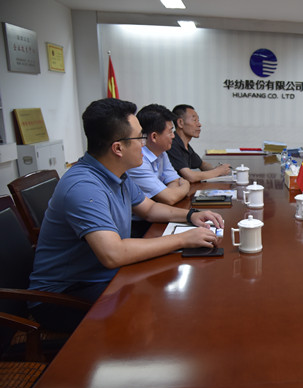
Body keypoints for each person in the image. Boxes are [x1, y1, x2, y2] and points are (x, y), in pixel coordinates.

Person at [28, 98, 225, 333]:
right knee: (167, 309)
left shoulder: (118, 174)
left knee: (171, 295)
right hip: (64, 296)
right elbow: (113, 254)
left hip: (103, 277)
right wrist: (183, 239)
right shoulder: (84, 186)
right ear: (118, 148)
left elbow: (149, 209)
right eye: (140, 137)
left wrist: (191, 215)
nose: (144, 143)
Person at [128, 104, 191, 237]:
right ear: (154, 136)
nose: (173, 136)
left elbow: (174, 181)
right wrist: (186, 185)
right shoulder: (138, 160)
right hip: (139, 226)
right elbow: (170, 198)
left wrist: (171, 193)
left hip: (157, 214)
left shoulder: (161, 152)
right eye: (170, 131)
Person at [167, 104, 232, 183]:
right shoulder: (172, 144)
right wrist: (218, 171)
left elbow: (202, 164)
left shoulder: (185, 145)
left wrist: (218, 169)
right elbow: (190, 176)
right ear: (180, 123)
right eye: (194, 120)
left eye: (198, 120)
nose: (199, 124)